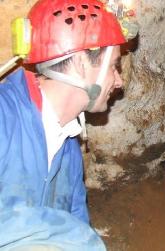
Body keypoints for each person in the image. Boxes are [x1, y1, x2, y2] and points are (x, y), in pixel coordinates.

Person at [0, 0, 126, 250]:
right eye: (114, 66)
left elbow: (77, 216)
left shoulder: (69, 151)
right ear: (81, 64)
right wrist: (77, 238)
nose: (120, 81)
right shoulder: (4, 117)